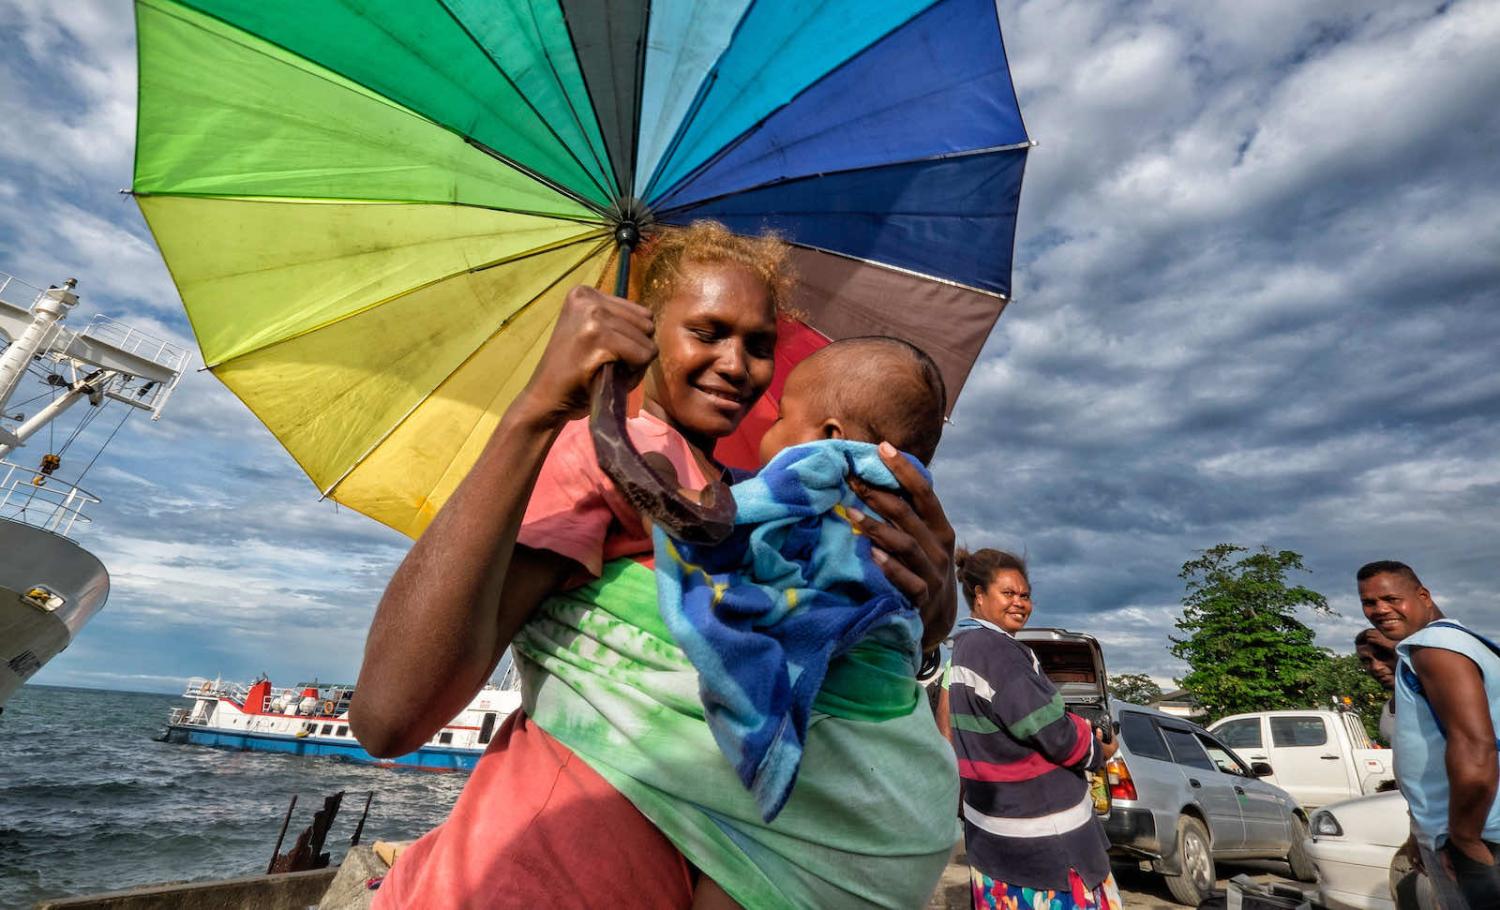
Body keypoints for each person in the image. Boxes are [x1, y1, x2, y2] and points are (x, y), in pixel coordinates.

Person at [353, 220, 959, 909]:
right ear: (645, 335)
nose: (738, 364)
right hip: (527, 877)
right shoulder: (601, 456)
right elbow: (389, 716)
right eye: (707, 331)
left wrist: (929, 606)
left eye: (759, 345)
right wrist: (536, 410)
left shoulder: (758, 504)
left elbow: (822, 664)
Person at [944, 548, 1121, 910]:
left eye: (1024, 595)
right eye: (1007, 593)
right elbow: (1051, 731)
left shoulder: (962, 652)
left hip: (995, 838)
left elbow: (949, 731)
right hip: (1045, 845)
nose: (1019, 603)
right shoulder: (999, 652)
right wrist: (1098, 749)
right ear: (979, 596)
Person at [1359, 560, 1500, 909]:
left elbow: (1474, 748)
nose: (1379, 610)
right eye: (1369, 603)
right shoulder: (1458, 642)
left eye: (1391, 598)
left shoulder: (1434, 647)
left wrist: (1463, 839)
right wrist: (1420, 833)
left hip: (1480, 833)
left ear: (1423, 595)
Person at [1355, 627, 1398, 745]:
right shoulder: (1388, 709)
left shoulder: (1435, 700)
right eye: (1367, 661)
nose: (1376, 667)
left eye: (1384, 655)